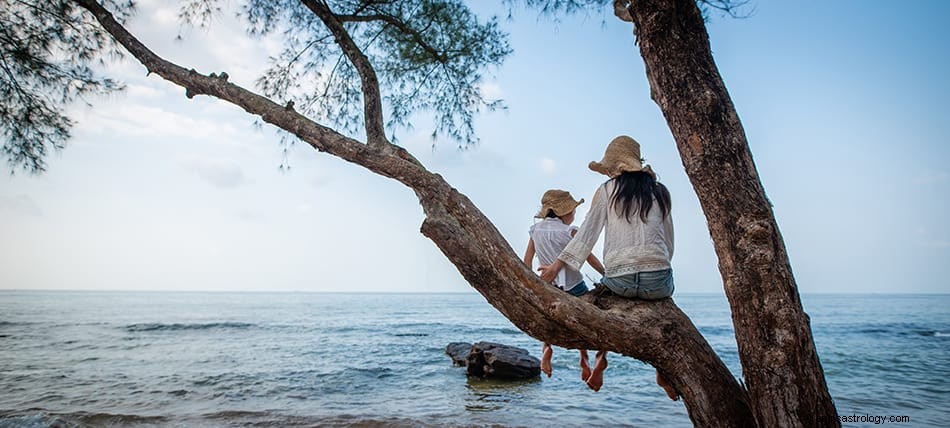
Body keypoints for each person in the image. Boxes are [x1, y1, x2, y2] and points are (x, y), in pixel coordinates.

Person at [538, 135, 679, 399]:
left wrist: (555, 269)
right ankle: (662, 369)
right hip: (658, 282)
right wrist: (656, 268)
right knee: (662, 308)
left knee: (604, 307)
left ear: (615, 167)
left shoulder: (606, 190)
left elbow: (586, 236)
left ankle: (601, 360)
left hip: (620, 282)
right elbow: (668, 243)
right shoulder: (661, 192)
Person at [523, 189, 606, 382]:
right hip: (574, 286)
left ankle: (546, 349)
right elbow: (589, 258)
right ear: (565, 212)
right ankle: (588, 358)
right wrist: (605, 273)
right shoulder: (570, 231)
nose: (574, 215)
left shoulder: (535, 230)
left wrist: (531, 281)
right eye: (573, 211)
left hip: (548, 285)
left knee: (549, 317)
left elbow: (527, 261)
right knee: (591, 318)